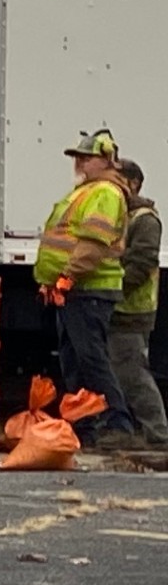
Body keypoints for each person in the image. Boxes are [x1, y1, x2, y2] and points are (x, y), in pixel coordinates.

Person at [34, 129, 141, 448]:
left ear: (107, 161)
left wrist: (66, 277)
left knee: (90, 358)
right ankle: (85, 426)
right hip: (74, 290)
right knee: (75, 360)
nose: (79, 162)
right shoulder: (89, 190)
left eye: (86, 157)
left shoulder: (105, 193)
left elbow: (92, 244)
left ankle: (117, 424)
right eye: (77, 157)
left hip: (88, 289)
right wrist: (54, 282)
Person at [112, 159, 168, 447]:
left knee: (132, 373)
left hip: (131, 312)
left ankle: (158, 435)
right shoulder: (122, 216)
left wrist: (111, 288)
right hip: (119, 309)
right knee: (121, 371)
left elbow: (142, 263)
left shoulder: (144, 220)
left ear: (133, 183)